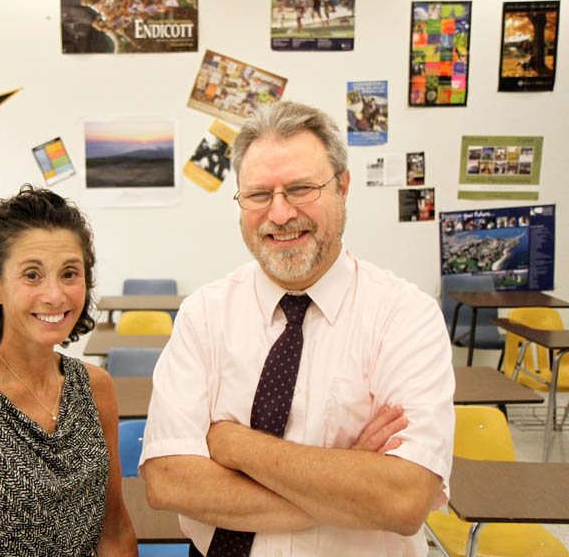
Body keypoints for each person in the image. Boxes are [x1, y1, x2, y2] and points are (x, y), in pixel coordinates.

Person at [140, 101, 454, 557]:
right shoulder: (203, 315)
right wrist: (349, 481)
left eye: (301, 189)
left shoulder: (406, 317)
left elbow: (403, 500)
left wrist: (234, 443)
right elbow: (168, 483)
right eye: (259, 194)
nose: (281, 213)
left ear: (343, 188)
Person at [0, 185, 137, 556]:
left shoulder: (95, 387)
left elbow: (113, 530)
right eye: (32, 275)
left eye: (70, 273)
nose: (55, 295)